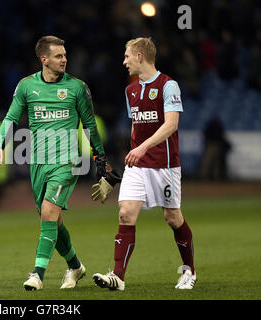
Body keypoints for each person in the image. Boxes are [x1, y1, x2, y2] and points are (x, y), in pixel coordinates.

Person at [0, 36, 120, 291]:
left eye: (65, 55)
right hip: (38, 163)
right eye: (59, 56)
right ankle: (75, 266)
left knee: (49, 213)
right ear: (44, 59)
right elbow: (11, 118)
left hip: (67, 162)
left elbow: (91, 126)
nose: (64, 59)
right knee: (52, 219)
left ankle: (37, 274)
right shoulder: (27, 86)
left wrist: (101, 162)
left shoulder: (77, 88)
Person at [92, 37, 196, 290]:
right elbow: (135, 127)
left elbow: (171, 125)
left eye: (127, 56)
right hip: (137, 166)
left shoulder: (168, 85)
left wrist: (143, 147)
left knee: (172, 218)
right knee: (126, 214)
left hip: (165, 165)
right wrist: (128, 157)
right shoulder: (131, 90)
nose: (124, 61)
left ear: (140, 56)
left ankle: (189, 271)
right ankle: (118, 276)